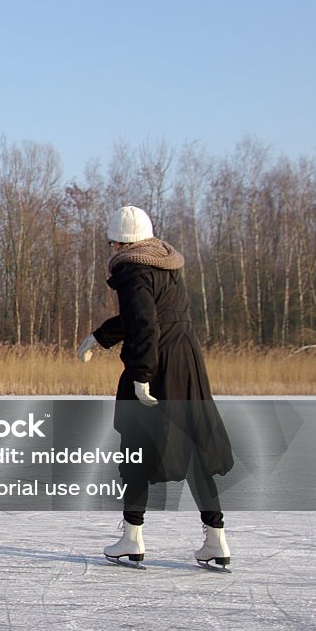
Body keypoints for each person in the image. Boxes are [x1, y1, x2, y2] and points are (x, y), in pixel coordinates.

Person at [77, 205, 235, 571]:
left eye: (112, 242)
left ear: (119, 242)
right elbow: (148, 317)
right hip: (188, 364)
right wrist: (100, 337)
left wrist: (142, 374)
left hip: (158, 365)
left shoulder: (131, 270)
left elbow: (145, 325)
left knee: (136, 449)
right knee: (194, 446)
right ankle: (216, 539)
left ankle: (132, 536)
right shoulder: (165, 264)